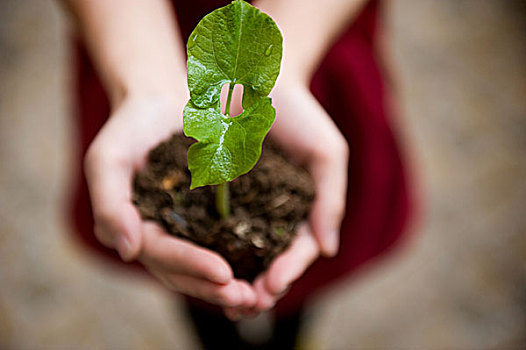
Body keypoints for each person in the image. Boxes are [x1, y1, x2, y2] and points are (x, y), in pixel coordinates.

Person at [62, 0, 412, 348]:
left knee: (300, 274)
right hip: (139, 38)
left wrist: (280, 71)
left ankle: (288, 334)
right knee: (199, 279)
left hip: (312, 28)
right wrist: (146, 85)